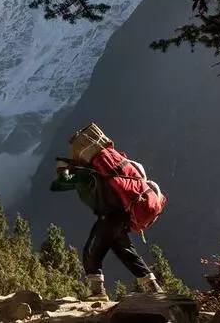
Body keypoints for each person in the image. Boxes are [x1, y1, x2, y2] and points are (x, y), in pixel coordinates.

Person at [50, 124, 163, 299]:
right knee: (125, 251)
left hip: (110, 216)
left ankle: (98, 292)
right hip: (124, 215)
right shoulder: (109, 168)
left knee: (92, 250)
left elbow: (59, 184)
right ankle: (154, 288)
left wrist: (62, 168)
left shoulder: (88, 174)